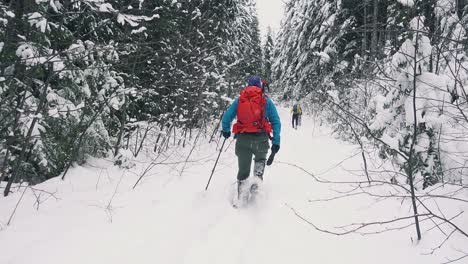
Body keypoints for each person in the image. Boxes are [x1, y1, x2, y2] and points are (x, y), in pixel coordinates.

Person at [222, 76, 281, 206]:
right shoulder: (266, 101)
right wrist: (276, 142)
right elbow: (276, 122)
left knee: (243, 171)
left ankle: (241, 199)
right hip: (261, 141)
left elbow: (227, 116)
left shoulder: (240, 100)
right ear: (260, 87)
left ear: (247, 86)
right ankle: (255, 200)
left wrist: (225, 130)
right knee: (258, 168)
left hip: (243, 140)